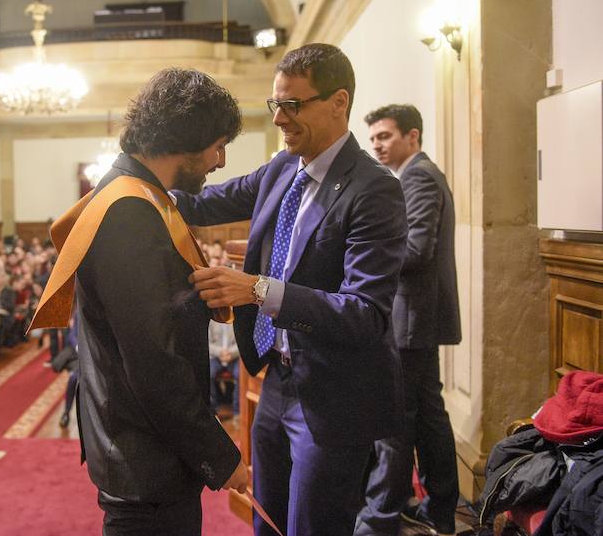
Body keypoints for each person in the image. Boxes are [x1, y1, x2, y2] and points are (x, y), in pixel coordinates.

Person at [173, 43, 408, 536]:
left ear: (338, 102)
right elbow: (201, 203)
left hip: (332, 394)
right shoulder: (282, 169)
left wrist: (257, 289)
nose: (279, 119)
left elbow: (364, 313)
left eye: (293, 105)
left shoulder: (375, 189)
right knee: (269, 523)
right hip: (274, 381)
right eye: (275, 105)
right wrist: (135, 181)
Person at [32, 68, 247, 536]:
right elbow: (154, 362)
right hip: (145, 455)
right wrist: (219, 454)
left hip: (145, 443)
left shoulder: (140, 196)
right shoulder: (129, 211)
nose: (220, 160)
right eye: (218, 145)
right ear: (188, 140)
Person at [355, 104, 462, 536]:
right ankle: (437, 511)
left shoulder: (418, 175)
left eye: (385, 136)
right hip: (415, 317)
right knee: (426, 416)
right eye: (374, 138)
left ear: (412, 137)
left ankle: (383, 514)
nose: (377, 144)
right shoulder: (415, 174)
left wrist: (363, 257)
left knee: (398, 419)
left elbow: (416, 249)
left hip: (412, 319)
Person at [208, 319, 239, 417]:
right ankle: (214, 409)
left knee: (240, 375)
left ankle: (237, 411)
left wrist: (231, 353)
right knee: (208, 374)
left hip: (233, 357)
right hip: (216, 357)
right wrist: (220, 352)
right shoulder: (212, 321)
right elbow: (207, 343)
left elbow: (241, 342)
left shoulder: (236, 320)